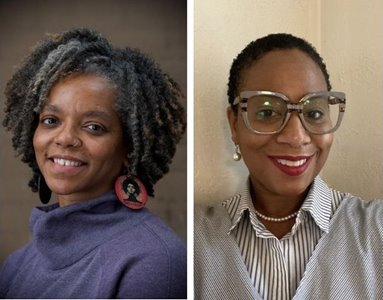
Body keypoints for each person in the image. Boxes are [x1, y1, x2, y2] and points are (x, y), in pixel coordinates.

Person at [0, 28, 186, 299]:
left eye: (94, 127)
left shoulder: (153, 261)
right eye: (51, 120)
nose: (65, 138)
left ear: (129, 148)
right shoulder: (16, 265)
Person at [194, 33, 383, 300]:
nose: (296, 137)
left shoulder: (376, 231)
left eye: (314, 113)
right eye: (268, 113)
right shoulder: (192, 242)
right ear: (234, 124)